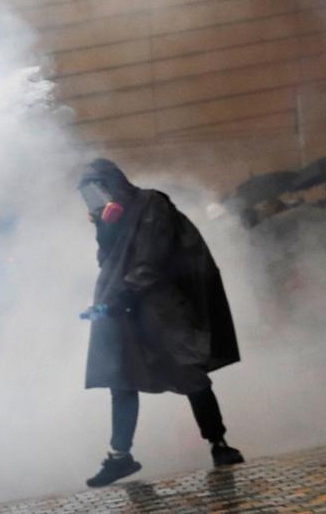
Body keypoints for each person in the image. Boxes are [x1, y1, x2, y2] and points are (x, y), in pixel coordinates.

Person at [78, 159, 245, 488]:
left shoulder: (151, 203)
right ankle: (119, 456)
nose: (95, 197)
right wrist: (103, 227)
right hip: (124, 306)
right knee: (121, 377)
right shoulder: (117, 215)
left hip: (160, 306)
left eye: (98, 188)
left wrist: (117, 299)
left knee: (188, 371)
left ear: (113, 183)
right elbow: (108, 260)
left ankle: (219, 444)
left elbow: (151, 259)